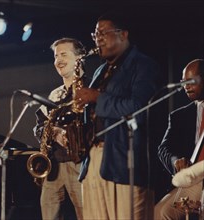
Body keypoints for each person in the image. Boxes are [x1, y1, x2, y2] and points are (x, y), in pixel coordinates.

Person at [75, 11, 160, 219]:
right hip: (95, 159)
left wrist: (96, 97)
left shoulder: (143, 65)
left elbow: (139, 109)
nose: (98, 39)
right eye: (95, 34)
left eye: (103, 33)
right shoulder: (100, 71)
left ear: (123, 34)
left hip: (124, 161)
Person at [33, 37, 87, 220]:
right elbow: (39, 126)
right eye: (56, 56)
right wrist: (53, 133)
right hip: (54, 166)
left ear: (79, 58)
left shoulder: (90, 89)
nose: (58, 61)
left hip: (80, 164)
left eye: (64, 54)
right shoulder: (54, 94)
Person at [154, 59, 204, 219]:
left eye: (191, 81)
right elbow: (164, 148)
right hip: (194, 179)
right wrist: (175, 161)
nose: (186, 86)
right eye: (183, 82)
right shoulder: (179, 116)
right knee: (161, 212)